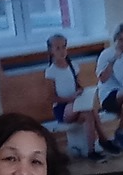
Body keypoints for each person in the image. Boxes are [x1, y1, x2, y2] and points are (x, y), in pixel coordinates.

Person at [45, 34, 107, 163]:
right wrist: (70, 98)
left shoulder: (73, 66)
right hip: (63, 109)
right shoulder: (51, 71)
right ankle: (104, 139)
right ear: (51, 51)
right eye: (58, 48)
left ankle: (91, 150)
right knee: (87, 109)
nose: (62, 51)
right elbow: (51, 98)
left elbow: (78, 85)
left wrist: (80, 91)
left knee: (90, 113)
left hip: (76, 104)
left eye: (64, 47)